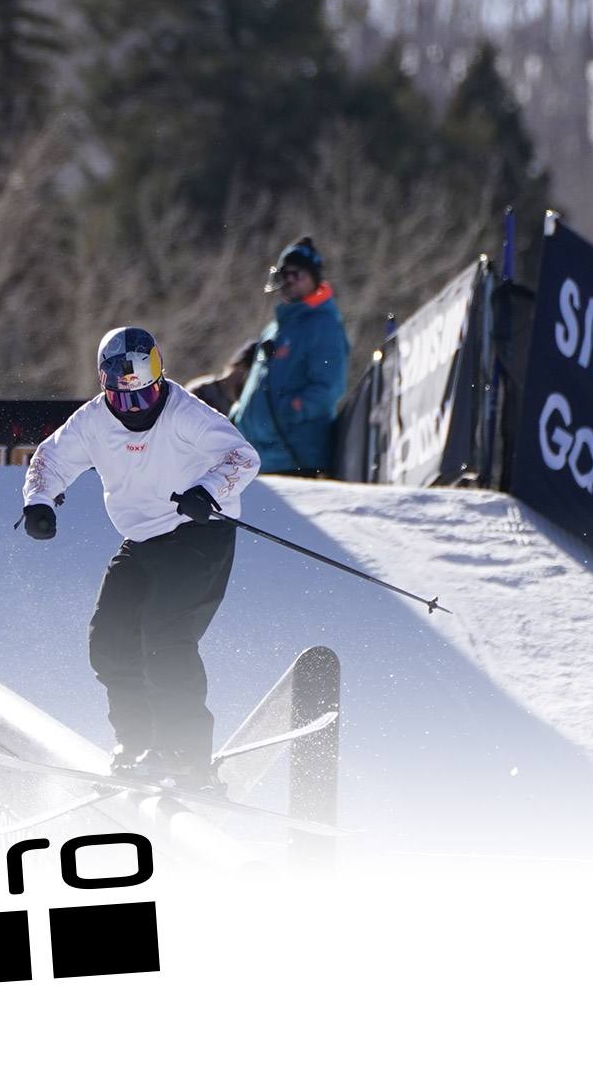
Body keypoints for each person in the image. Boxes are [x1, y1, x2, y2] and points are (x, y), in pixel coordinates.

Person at [20, 326, 260, 789]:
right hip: (142, 542)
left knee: (165, 638)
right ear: (104, 385)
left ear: (159, 380)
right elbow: (49, 461)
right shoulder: (91, 422)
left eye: (145, 397)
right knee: (109, 641)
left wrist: (206, 491)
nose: (136, 409)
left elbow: (241, 457)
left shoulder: (185, 413)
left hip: (198, 535)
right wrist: (40, 502)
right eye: (123, 400)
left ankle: (187, 756)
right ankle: (139, 743)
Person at [230, 235, 350, 476]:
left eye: (298, 274)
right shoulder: (275, 328)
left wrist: (292, 409)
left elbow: (329, 387)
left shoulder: (323, 326)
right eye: (285, 274)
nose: (290, 280)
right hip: (260, 459)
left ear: (314, 278)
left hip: (296, 460)